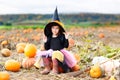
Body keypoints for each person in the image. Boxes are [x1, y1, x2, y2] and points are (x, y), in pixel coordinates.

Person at [35, 7, 79, 74]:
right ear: (51, 29)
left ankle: (55, 70)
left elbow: (66, 46)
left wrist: (66, 38)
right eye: (53, 28)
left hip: (60, 53)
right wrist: (45, 41)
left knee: (55, 54)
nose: (55, 30)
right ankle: (47, 68)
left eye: (57, 28)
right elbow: (47, 48)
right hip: (51, 51)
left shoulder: (61, 37)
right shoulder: (49, 37)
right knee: (43, 54)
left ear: (59, 29)